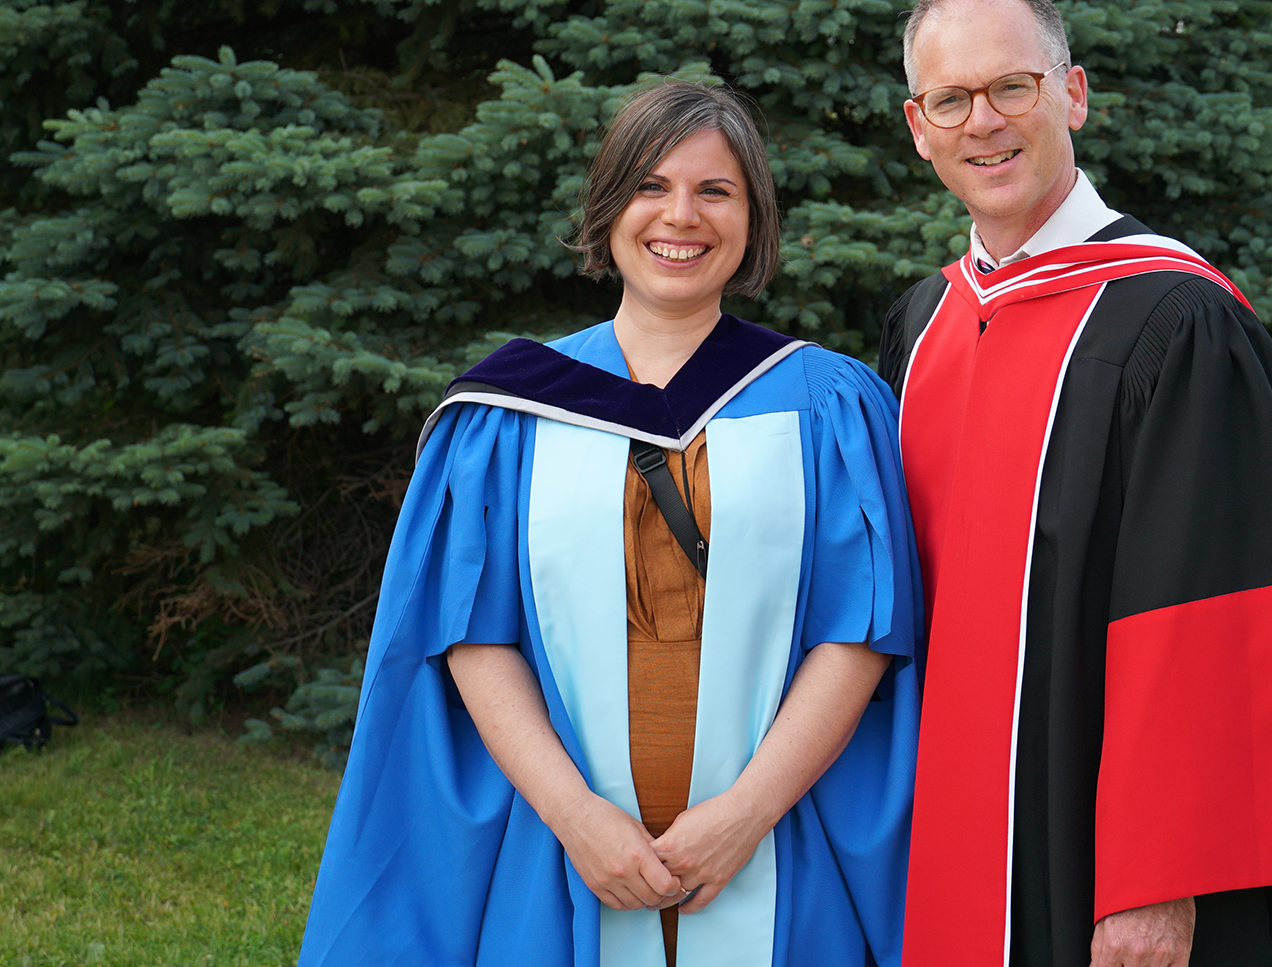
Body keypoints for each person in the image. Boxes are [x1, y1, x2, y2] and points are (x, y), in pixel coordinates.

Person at [877, 0, 1272, 967]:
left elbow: (1220, 623)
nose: (983, 123)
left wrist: (1159, 878)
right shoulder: (921, 326)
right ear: (919, 126)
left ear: (1072, 94)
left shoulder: (1174, 318)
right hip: (943, 831)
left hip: (1107, 860)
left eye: (1013, 86)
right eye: (952, 100)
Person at [299, 81, 922, 967]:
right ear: (608, 204)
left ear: (754, 219)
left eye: (716, 191)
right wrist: (578, 818)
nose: (682, 216)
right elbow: (474, 634)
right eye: (651, 186)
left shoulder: (828, 403)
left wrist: (745, 814)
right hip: (561, 852)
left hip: (780, 842)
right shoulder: (509, 410)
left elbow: (860, 631)